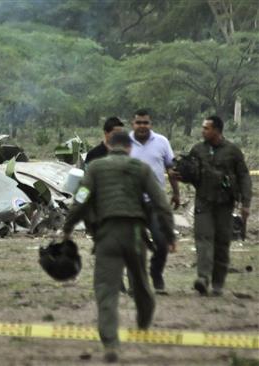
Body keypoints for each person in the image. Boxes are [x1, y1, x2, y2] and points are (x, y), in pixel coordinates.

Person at [62, 131, 175, 363]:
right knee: (142, 283)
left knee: (106, 289)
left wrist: (68, 226)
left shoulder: (94, 168)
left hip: (107, 234)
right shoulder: (140, 168)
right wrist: (169, 233)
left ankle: (111, 343)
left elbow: (82, 197)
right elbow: (161, 203)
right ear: (130, 147)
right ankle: (143, 324)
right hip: (134, 233)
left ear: (107, 144)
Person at [186, 116, 252, 296]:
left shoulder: (233, 151)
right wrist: (180, 173)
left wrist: (246, 203)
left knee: (222, 242)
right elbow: (190, 173)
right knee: (203, 239)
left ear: (216, 130)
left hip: (225, 204)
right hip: (203, 201)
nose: (203, 131)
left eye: (206, 128)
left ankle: (217, 283)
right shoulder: (198, 150)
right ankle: (203, 278)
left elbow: (244, 177)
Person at [129, 109, 179, 294]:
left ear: (151, 124)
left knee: (162, 242)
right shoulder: (126, 143)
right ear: (132, 124)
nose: (142, 126)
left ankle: (156, 273)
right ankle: (135, 285)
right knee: (134, 246)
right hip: (133, 204)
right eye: (139, 122)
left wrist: (176, 193)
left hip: (156, 203)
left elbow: (171, 168)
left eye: (145, 123)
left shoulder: (162, 142)